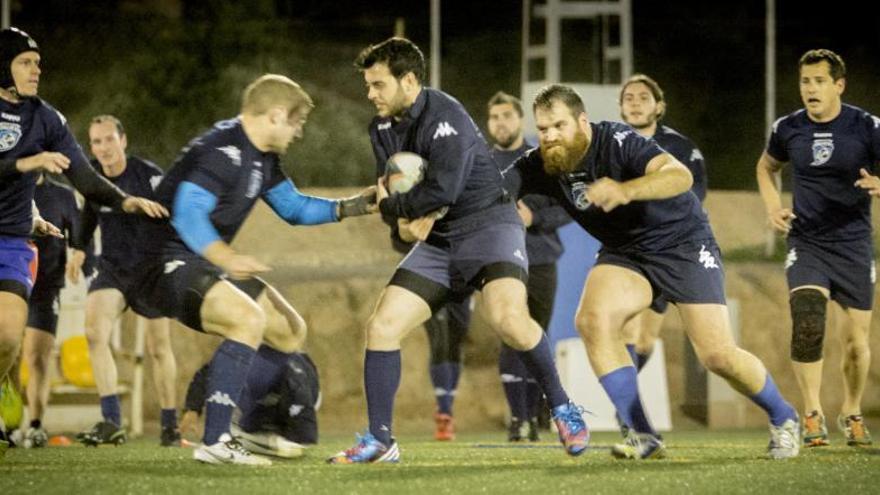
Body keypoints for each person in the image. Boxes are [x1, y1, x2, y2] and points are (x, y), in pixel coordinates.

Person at [327, 38, 588, 464]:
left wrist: (397, 210)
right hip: (442, 241)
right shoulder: (379, 130)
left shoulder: (445, 115)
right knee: (382, 326)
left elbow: (440, 189)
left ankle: (563, 407)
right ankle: (380, 440)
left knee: (508, 320)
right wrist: (403, 224)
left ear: (408, 80)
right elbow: (393, 189)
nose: (370, 94)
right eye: (368, 85)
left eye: (378, 84)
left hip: (490, 226)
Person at [505, 83, 800, 460]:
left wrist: (627, 190)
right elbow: (493, 190)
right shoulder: (541, 163)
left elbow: (679, 176)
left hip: (683, 245)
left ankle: (783, 415)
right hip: (627, 253)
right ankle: (643, 434)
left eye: (559, 126)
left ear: (582, 121)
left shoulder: (617, 139)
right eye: (543, 129)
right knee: (593, 321)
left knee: (716, 356)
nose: (550, 138)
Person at [129, 73, 376, 465]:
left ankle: (256, 429)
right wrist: (226, 258)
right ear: (276, 115)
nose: (298, 132)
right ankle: (216, 441)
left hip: (199, 259)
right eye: (297, 123)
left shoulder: (262, 158)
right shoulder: (222, 148)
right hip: (161, 261)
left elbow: (293, 208)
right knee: (247, 318)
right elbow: (188, 212)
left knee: (289, 330)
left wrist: (353, 205)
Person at [0, 27, 166, 456]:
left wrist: (125, 201)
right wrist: (26, 163)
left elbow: (85, 178)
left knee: (7, 337)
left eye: (38, 63)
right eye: (25, 62)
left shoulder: (46, 118)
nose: (37, 70)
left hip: (13, 239)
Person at [755, 49, 878, 448]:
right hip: (807, 242)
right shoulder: (788, 128)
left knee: (857, 344)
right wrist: (773, 207)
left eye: (819, 81)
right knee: (808, 321)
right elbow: (766, 166)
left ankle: (852, 410)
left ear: (838, 85)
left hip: (854, 245)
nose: (810, 88)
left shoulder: (866, 126)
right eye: (805, 81)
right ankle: (812, 412)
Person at [66, 115, 179, 447]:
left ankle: (170, 427)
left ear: (123, 141)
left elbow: (173, 218)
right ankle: (112, 421)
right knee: (94, 332)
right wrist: (79, 249)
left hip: (151, 270)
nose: (104, 148)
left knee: (159, 347)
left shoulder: (150, 176)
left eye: (109, 139)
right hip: (113, 269)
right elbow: (89, 212)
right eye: (97, 142)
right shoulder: (92, 176)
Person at [615, 74, 708, 433]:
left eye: (643, 97)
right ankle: (628, 413)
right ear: (621, 106)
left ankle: (626, 405)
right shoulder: (611, 144)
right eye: (629, 98)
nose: (635, 103)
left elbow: (694, 196)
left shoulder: (682, 149)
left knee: (644, 339)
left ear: (659, 106)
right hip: (625, 252)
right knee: (624, 330)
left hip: (668, 251)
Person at [487, 91, 571, 442]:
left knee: (537, 338)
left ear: (520, 119)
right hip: (500, 260)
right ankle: (518, 419)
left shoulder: (544, 157)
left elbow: (568, 206)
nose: (500, 122)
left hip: (541, 258)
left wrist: (534, 216)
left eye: (506, 115)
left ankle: (536, 414)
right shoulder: (483, 161)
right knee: (510, 334)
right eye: (494, 117)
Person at [19, 173, 84, 448]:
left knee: (37, 356)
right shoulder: (10, 187)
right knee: (8, 354)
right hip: (11, 280)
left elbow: (80, 236)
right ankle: (8, 425)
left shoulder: (63, 195)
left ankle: (34, 425)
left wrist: (80, 254)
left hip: (47, 286)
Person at [180, 343, 319, 458]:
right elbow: (207, 373)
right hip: (264, 400)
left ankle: (247, 436)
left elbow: (304, 437)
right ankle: (246, 435)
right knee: (238, 425)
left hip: (297, 396)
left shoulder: (293, 377)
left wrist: (281, 442)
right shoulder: (242, 357)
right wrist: (192, 409)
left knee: (289, 446)